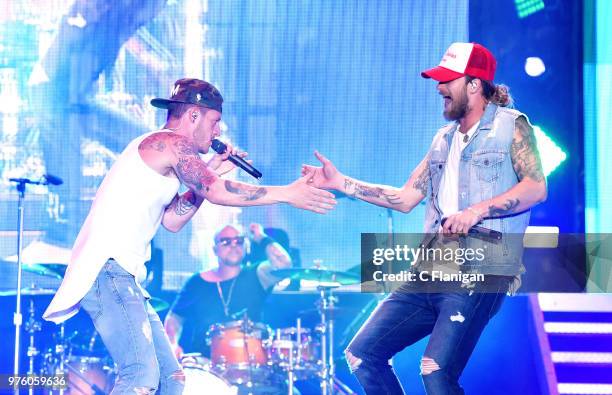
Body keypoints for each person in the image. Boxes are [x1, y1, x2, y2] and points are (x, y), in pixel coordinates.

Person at [42, 78, 336, 394]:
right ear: (194, 115)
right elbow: (219, 192)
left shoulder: (162, 151)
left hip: (123, 276)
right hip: (109, 270)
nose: (218, 132)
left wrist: (209, 170)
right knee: (140, 375)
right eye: (215, 121)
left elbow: (172, 220)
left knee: (172, 379)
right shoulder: (170, 142)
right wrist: (287, 192)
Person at [302, 42, 547, 394]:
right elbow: (404, 199)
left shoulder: (512, 126)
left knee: (435, 372)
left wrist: (477, 210)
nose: (439, 88)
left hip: (483, 266)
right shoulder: (442, 141)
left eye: (448, 80)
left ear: (475, 84)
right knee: (362, 354)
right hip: (432, 265)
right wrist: (340, 182)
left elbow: (536, 188)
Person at [164, 222, 291, 358]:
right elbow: (175, 318)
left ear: (245, 246)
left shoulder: (257, 274)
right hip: (204, 364)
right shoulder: (196, 282)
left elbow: (284, 264)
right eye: (226, 241)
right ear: (215, 249)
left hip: (251, 363)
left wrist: (261, 237)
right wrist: (172, 344)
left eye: (239, 241)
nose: (233, 245)